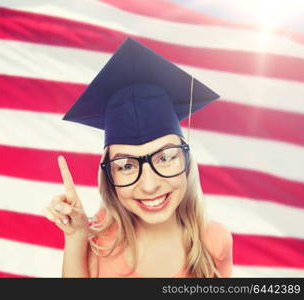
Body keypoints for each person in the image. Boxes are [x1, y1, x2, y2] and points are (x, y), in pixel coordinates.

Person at [43, 38, 233, 278]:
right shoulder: (97, 244)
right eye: (126, 166)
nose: (149, 185)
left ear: (186, 161)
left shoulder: (215, 242)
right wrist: (75, 237)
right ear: (110, 176)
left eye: (165, 158)